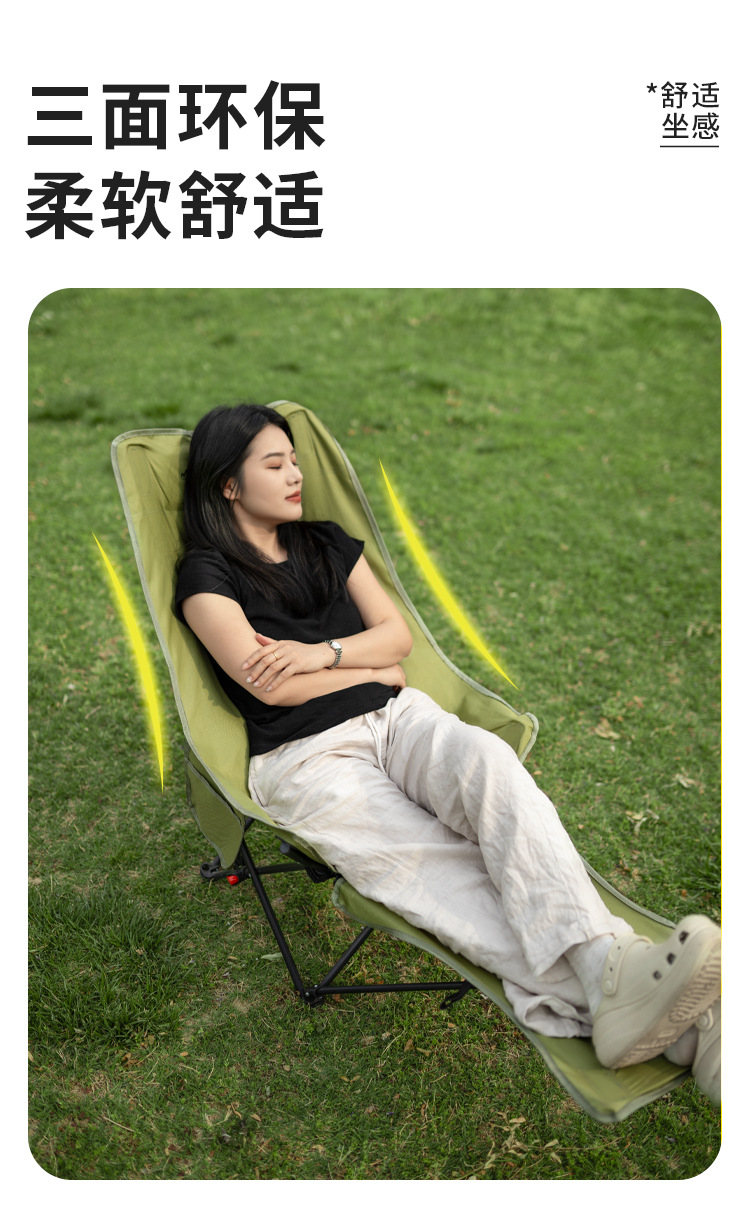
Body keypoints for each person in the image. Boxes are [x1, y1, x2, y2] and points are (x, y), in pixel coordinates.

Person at [175, 403, 721, 1105]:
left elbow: (396, 638)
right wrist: (373, 667)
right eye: (274, 464)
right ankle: (677, 1024)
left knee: (490, 768)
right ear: (228, 484)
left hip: (398, 716)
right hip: (305, 757)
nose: (295, 474)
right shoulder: (206, 575)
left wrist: (322, 655)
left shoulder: (326, 542)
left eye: (296, 460)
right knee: (437, 864)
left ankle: (609, 970)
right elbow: (269, 686)